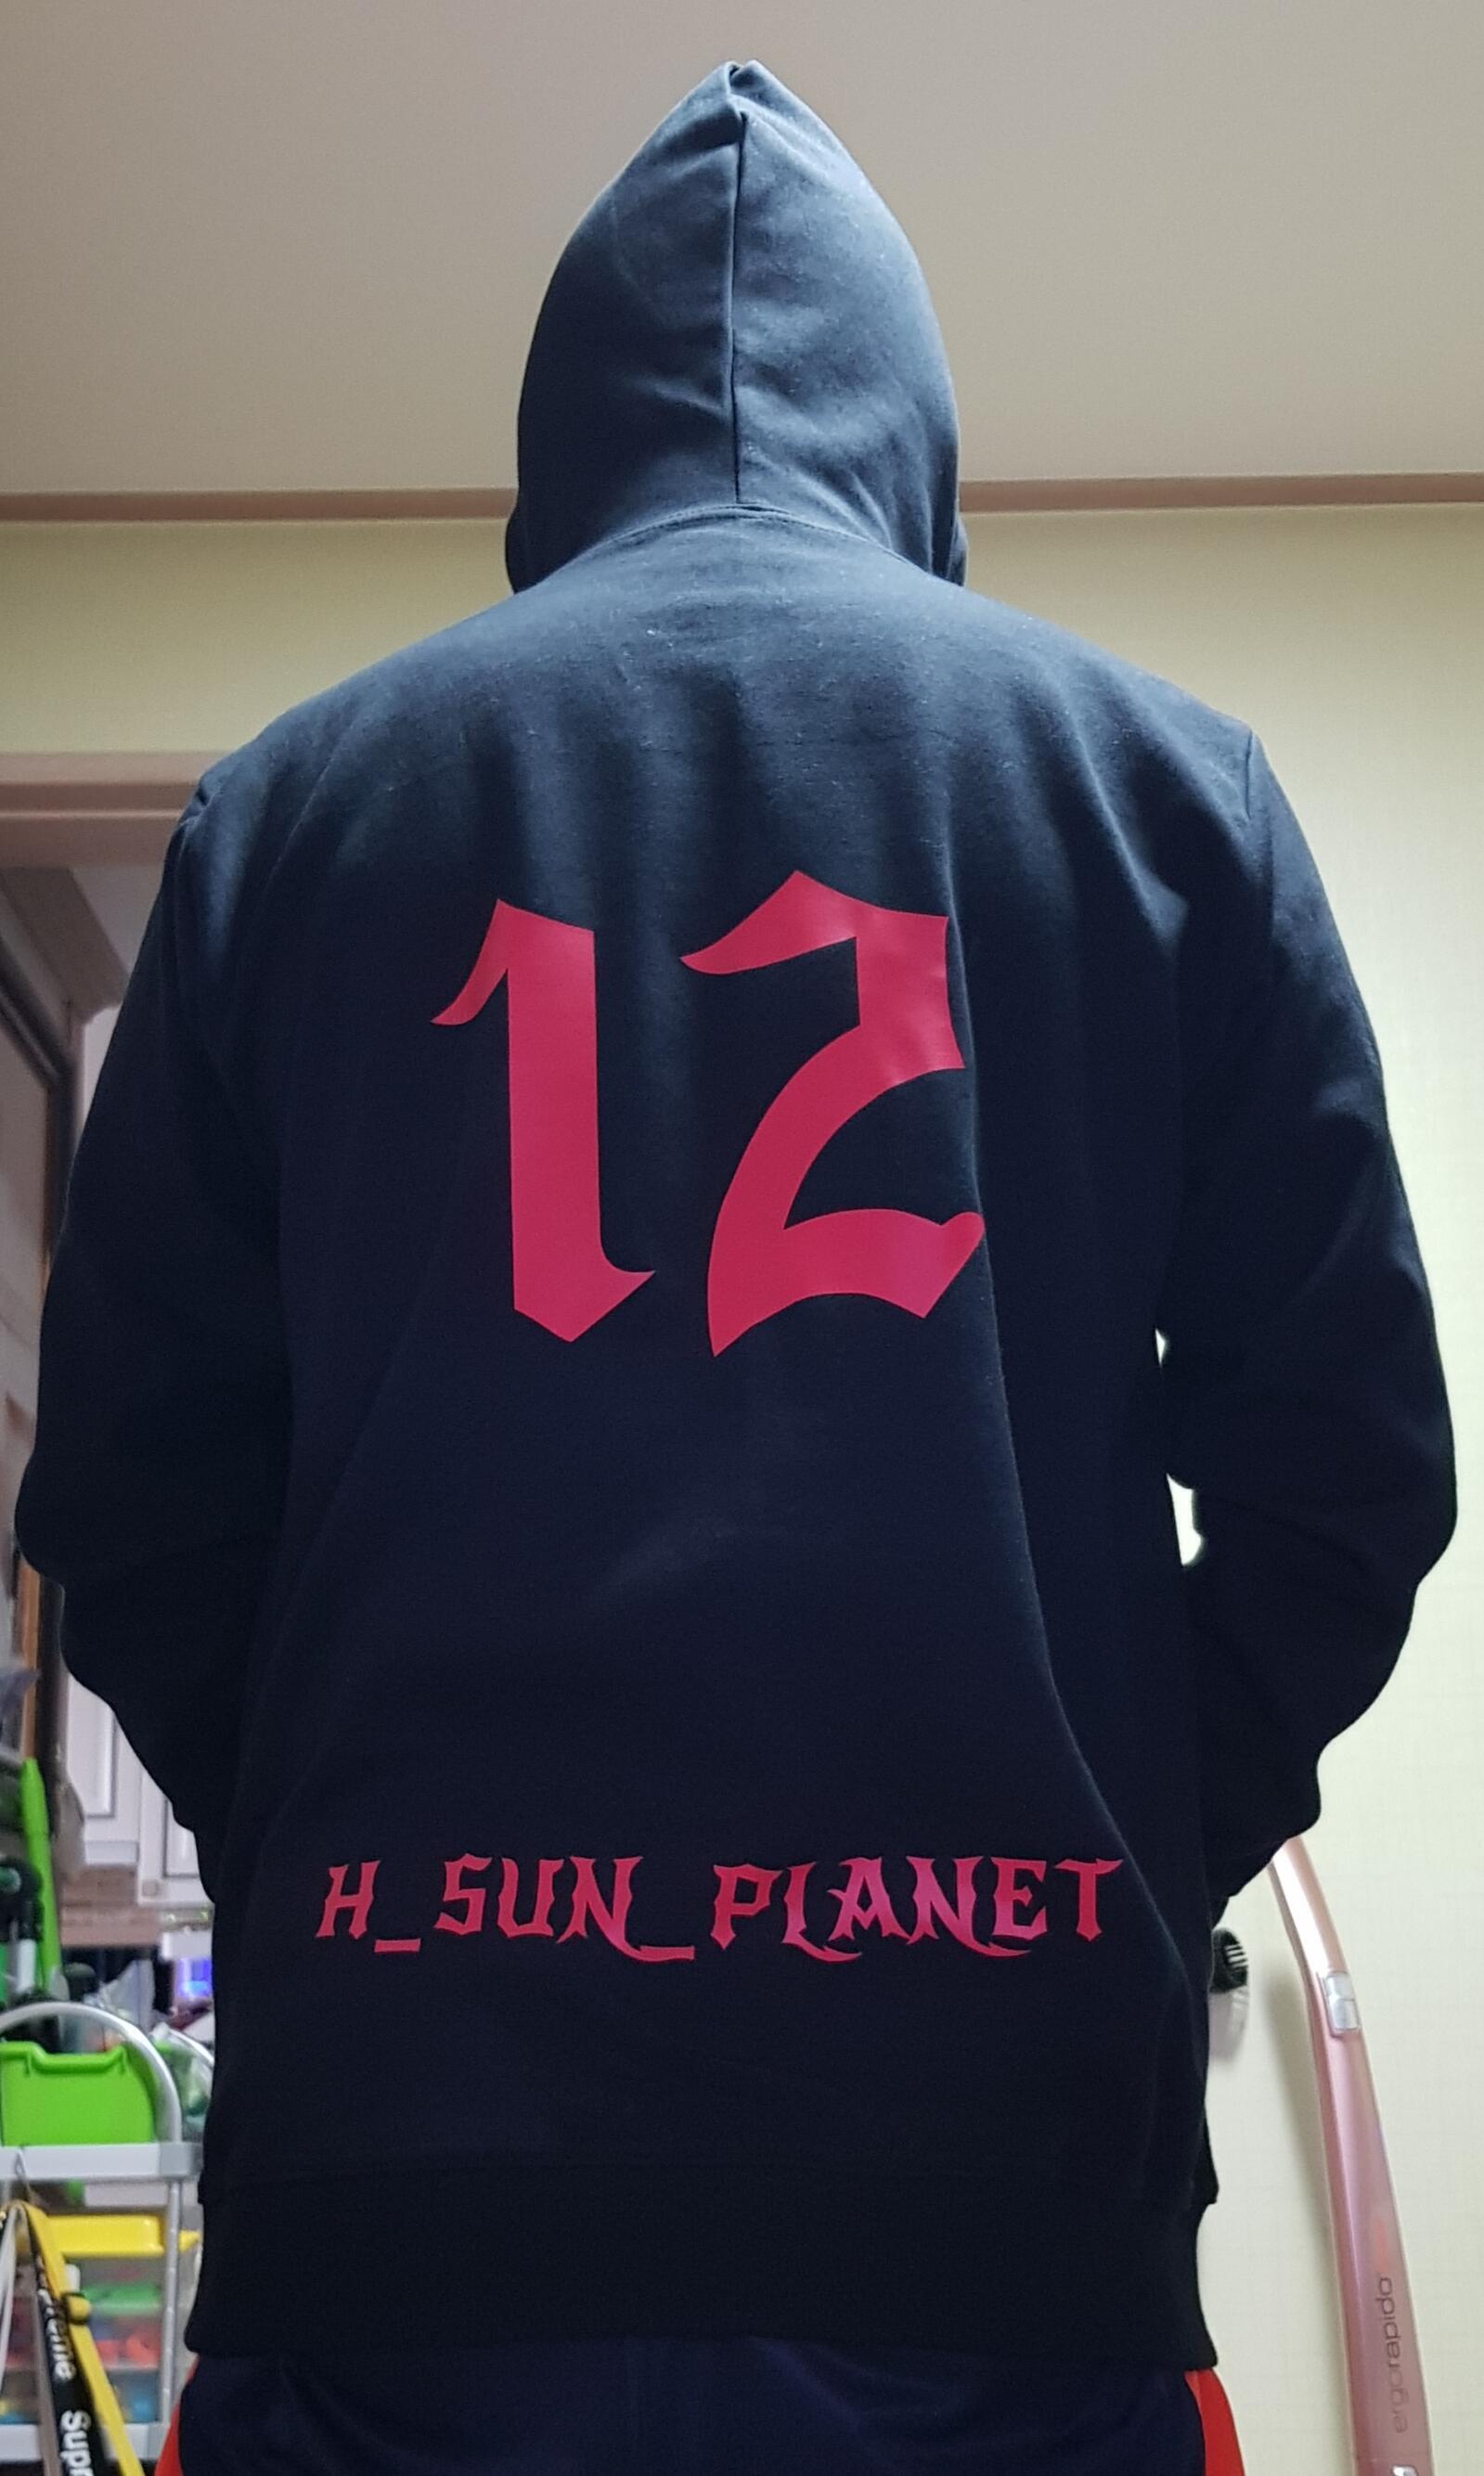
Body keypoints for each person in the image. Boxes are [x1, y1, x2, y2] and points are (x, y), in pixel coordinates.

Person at [19, 61, 1452, 2476]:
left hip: (401, 2231)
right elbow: (1352, 1484)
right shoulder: (1165, 797)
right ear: (923, 447)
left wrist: (342, 1848)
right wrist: (1103, 1842)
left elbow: (136, 1517)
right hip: (996, 2233)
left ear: (551, 448)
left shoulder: (291, 815)